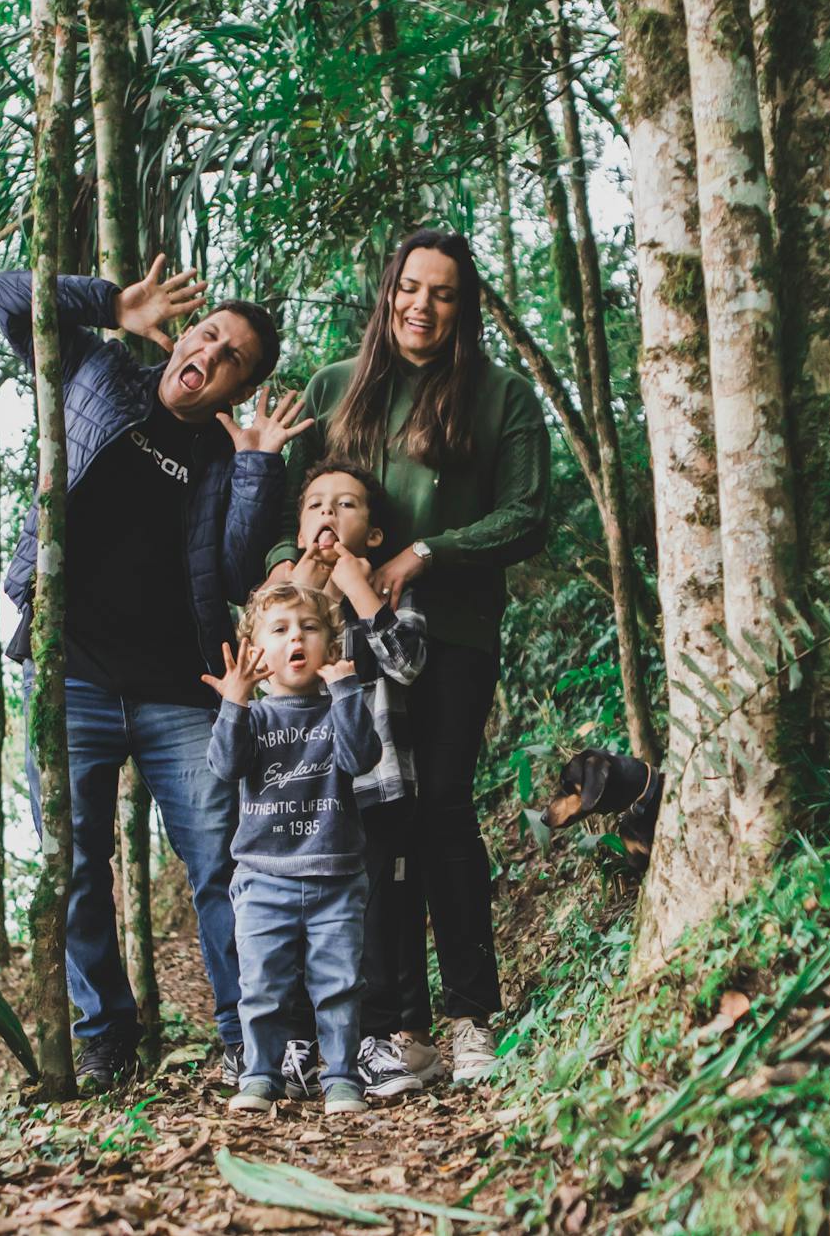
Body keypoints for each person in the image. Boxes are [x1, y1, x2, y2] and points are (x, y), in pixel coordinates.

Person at [0, 257, 313, 1092]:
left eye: (234, 355)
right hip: (72, 676)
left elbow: (242, 572)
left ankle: (249, 1031)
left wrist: (256, 469)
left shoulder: (228, 453)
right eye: (208, 334)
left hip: (180, 692)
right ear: (180, 340)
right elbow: (3, 295)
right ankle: (106, 1037)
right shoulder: (98, 374)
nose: (212, 351)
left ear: (237, 385)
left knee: (218, 862)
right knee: (71, 864)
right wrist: (111, 304)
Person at [266, 229, 551, 1085]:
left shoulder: (499, 396)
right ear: (388, 291)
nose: (421, 306)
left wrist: (421, 553)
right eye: (409, 288)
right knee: (366, 829)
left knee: (445, 812)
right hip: (346, 652)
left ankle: (470, 1017)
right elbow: (289, 514)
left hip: (449, 638)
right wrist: (295, 569)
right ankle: (394, 1027)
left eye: (443, 293)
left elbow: (529, 514)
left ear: (463, 309)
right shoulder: (334, 389)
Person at [272, 459, 432, 1100]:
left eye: (346, 505)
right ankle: (303, 1044)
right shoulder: (285, 606)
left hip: (377, 788)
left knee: (375, 918)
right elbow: (259, 674)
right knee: (300, 919)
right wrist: (306, 596)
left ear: (371, 533)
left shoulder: (389, 598)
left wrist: (360, 590)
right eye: (316, 505)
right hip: (301, 795)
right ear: (300, 526)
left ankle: (376, 1041)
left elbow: (409, 664)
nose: (329, 515)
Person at [205, 583, 381, 1116]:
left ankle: (343, 1079)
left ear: (330, 644)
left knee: (339, 985)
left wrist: (348, 690)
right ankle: (260, 1076)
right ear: (256, 650)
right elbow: (224, 766)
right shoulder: (254, 718)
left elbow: (361, 759)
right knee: (261, 987)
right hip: (263, 878)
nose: (295, 639)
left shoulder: (338, 708)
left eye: (308, 628)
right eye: (279, 630)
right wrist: (234, 703)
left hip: (336, 876)